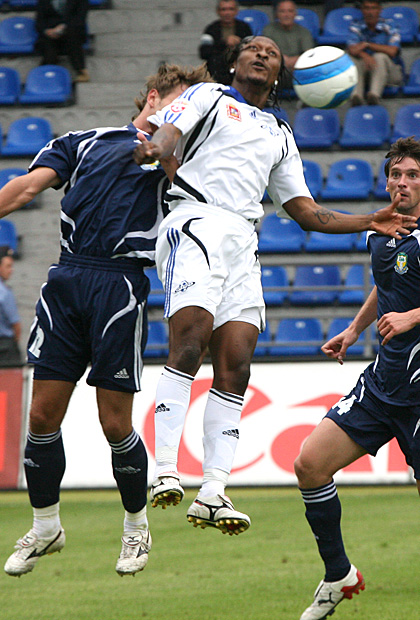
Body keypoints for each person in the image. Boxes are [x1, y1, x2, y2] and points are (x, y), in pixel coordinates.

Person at [133, 35, 417, 537]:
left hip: (244, 238)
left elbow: (306, 212)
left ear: (281, 72)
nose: (262, 53)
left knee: (237, 362)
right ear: (234, 62)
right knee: (191, 340)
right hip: (196, 221)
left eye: (270, 50)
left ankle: (214, 490)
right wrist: (156, 150)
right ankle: (166, 470)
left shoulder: (280, 132)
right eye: (252, 47)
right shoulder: (208, 95)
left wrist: (369, 220)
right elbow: (168, 133)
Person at [2, 62, 212, 578]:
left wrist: (168, 153)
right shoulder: (83, 141)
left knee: (114, 423)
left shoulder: (182, 162)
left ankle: (136, 526)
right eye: (179, 103)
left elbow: (197, 205)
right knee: (41, 417)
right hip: (67, 279)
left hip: (120, 285)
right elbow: (26, 188)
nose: (183, 115)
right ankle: (46, 526)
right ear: (154, 95)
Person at [294, 136, 420, 620]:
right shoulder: (380, 231)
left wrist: (412, 317)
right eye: (395, 174)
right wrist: (353, 329)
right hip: (383, 383)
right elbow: (386, 285)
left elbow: (406, 304)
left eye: (412, 175)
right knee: (310, 464)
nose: (402, 183)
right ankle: (338, 575)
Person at [347, 0, 403, 106]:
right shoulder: (356, 25)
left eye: (373, 8)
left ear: (379, 10)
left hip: (389, 73)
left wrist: (367, 45)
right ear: (362, 10)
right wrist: (364, 55)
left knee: (379, 56)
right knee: (351, 58)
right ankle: (356, 97)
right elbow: (352, 50)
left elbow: (393, 51)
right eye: (367, 8)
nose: (370, 12)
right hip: (365, 70)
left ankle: (374, 96)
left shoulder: (390, 25)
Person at [263, 0, 314, 90]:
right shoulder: (268, 30)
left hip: (297, 68)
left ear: (295, 14)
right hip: (276, 68)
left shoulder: (304, 32)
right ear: (277, 14)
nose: (286, 15)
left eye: (290, 11)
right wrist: (281, 59)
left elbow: (309, 54)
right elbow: (265, 52)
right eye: (282, 11)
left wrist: (293, 60)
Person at [35, 0, 90, 83]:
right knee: (49, 49)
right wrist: (47, 31)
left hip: (72, 30)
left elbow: (80, 19)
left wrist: (63, 27)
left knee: (73, 36)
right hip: (50, 33)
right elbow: (39, 21)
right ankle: (45, 74)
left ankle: (81, 70)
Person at [199, 0, 252, 84]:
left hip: (240, 72)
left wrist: (240, 44)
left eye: (231, 9)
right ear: (218, 11)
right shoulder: (211, 29)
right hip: (216, 73)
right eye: (223, 9)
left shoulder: (244, 28)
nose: (227, 13)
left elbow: (251, 50)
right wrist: (224, 43)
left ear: (236, 11)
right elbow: (204, 53)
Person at [0, 246, 22, 368]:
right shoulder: (4, 293)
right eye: (8, 266)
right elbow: (16, 325)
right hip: (5, 348)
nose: (11, 270)